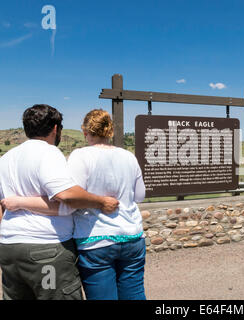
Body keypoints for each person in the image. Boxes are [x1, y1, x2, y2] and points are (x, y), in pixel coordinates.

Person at [2, 109, 146, 300]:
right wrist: (104, 200)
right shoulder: (128, 156)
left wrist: (19, 202)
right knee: (134, 293)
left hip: (94, 238)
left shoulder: (6, 159)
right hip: (130, 235)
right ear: (55, 128)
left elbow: (69, 199)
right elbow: (139, 195)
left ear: (86, 132)